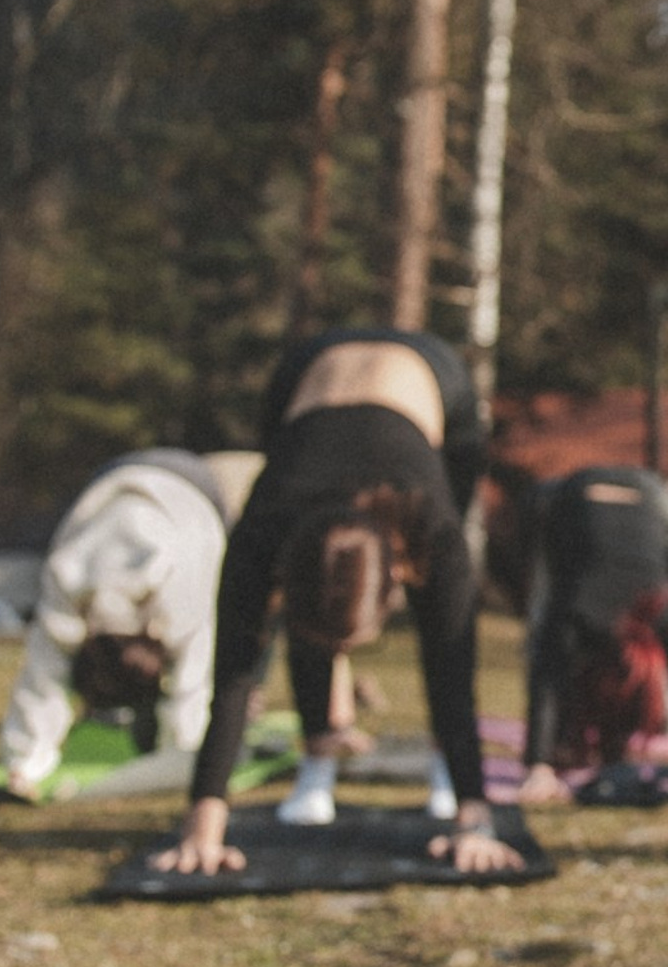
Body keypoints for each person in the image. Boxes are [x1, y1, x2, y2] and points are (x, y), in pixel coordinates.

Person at [151, 328, 521, 877]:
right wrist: (202, 830)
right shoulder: (262, 528)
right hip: (307, 374)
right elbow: (233, 676)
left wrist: (475, 821)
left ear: (397, 576)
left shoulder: (430, 523)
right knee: (316, 606)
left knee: (446, 622)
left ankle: (450, 779)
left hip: (433, 374)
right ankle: (316, 766)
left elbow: (453, 664)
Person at [0, 450, 234, 797]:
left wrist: (184, 753)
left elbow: (194, 676)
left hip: (197, 492)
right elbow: (42, 674)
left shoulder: (179, 594)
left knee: (239, 614)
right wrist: (22, 766)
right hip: (114, 478)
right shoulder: (68, 576)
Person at [516, 465, 668, 802]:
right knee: (547, 632)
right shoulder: (647, 608)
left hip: (638, 497)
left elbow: (547, 678)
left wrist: (538, 767)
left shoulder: (656, 606)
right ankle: (552, 749)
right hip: (572, 497)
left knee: (549, 639)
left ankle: (552, 750)